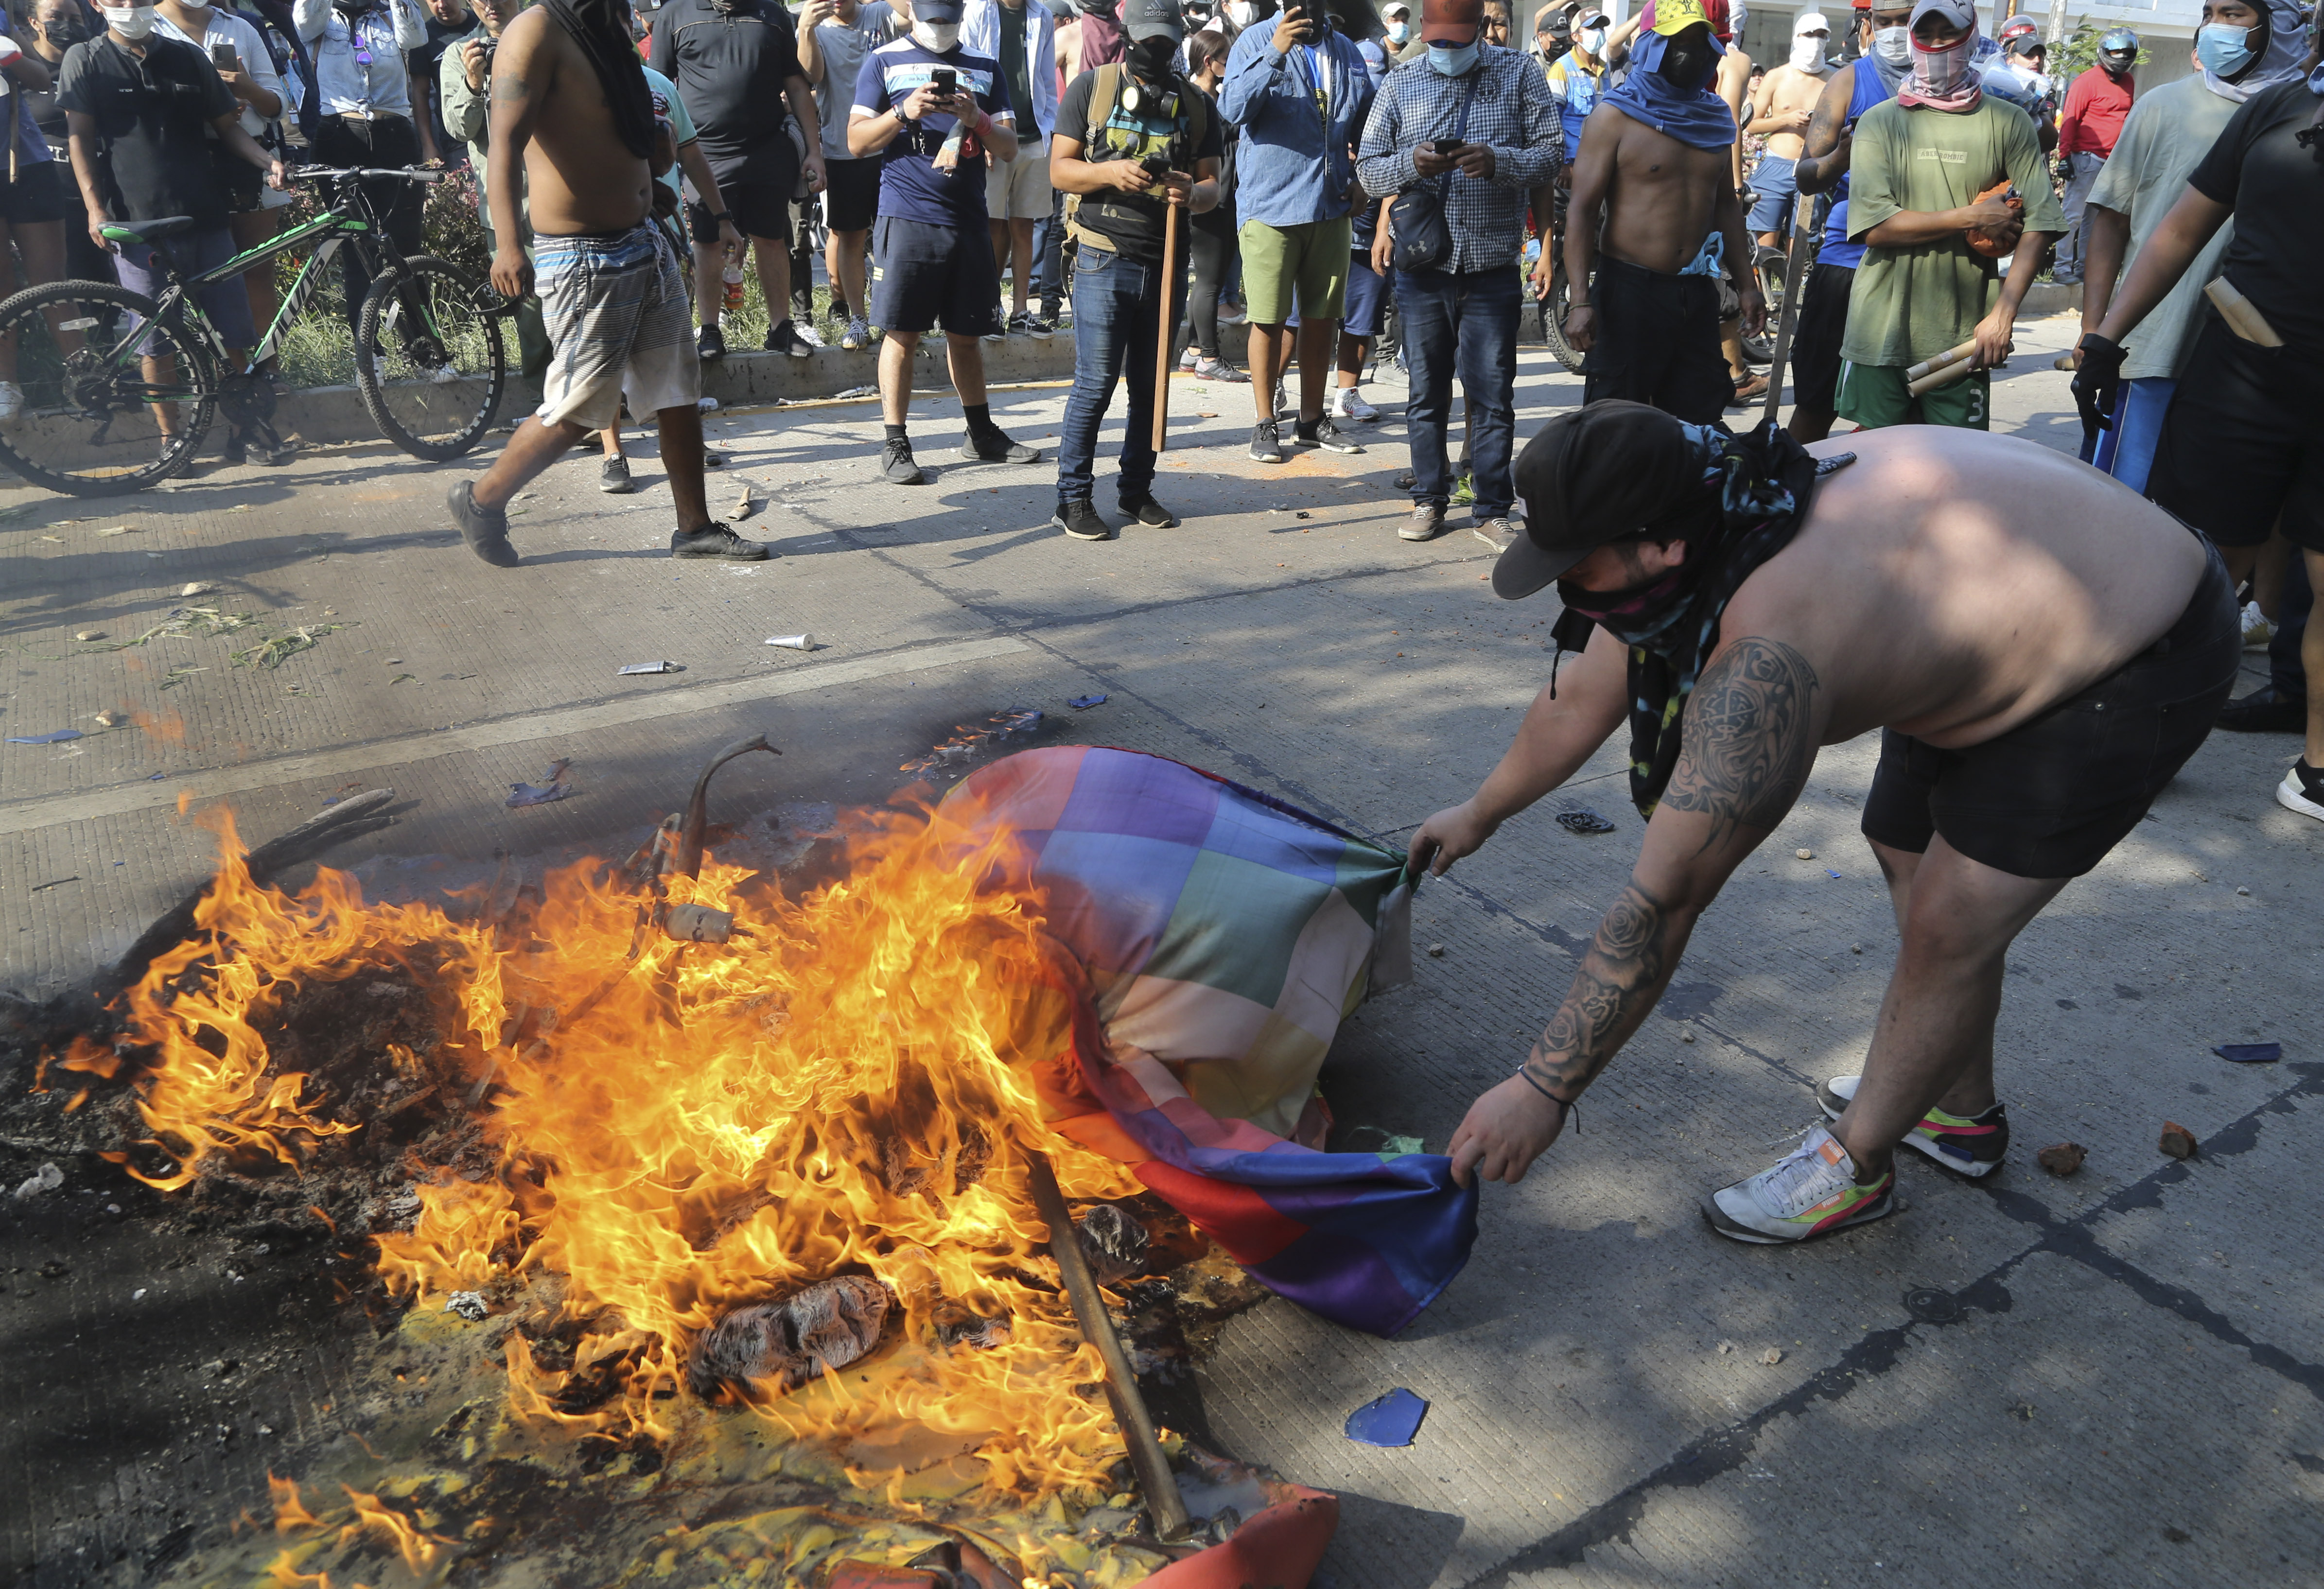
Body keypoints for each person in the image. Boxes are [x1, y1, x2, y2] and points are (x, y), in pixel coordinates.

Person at [1409, 403, 2239, 1240]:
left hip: (2137, 643)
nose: (1566, 587)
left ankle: (1859, 1164)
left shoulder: (1768, 650)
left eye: (1574, 565)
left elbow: (1665, 899)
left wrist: (1542, 1087)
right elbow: (1583, 694)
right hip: (1997, 607)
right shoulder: (1701, 503)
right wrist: (1478, 812)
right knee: (1902, 847)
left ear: (1657, 547)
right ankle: (1958, 1114)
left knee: (1952, 925)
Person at [2073, 27, 2324, 824]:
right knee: (2200, 571)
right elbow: (2180, 228)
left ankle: (2320, 769)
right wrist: (2106, 335)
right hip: (2242, 374)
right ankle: (2143, 739)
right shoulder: (2279, 109)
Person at [447, 0, 764, 564]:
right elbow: (503, 145)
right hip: (582, 257)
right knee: (579, 408)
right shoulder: (535, 30)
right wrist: (509, 244)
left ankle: (693, 528)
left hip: (642, 240)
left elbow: (618, 127)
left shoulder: (610, 27)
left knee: (676, 389)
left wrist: (647, 181)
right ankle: (482, 500)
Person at [2073, 0, 2301, 494]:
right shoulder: (2160, 106)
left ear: (2278, 23)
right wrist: (2095, 330)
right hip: (2150, 348)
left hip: (2250, 364)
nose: (2215, 28)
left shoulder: (2303, 120)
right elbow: (2111, 222)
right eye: (2209, 13)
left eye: (2233, 14)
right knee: (2119, 505)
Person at [1358, 0, 1554, 546]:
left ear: (1477, 32)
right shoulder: (1400, 83)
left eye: (1456, 41)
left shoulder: (1518, 73)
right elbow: (1369, 168)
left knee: (1491, 393)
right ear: (1424, 32)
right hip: (1423, 266)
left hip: (1490, 264)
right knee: (1425, 394)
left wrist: (1497, 161)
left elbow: (1549, 155)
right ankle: (1428, 498)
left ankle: (1491, 507)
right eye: (1437, 41)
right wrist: (1409, 165)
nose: (1446, 50)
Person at [58, 0, 289, 462]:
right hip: (135, 224)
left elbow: (228, 127)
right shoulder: (85, 59)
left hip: (203, 215)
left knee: (233, 334)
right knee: (155, 341)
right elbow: (79, 137)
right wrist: (94, 209)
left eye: (138, 0)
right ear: (99, 5)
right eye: (118, 1)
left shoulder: (187, 58)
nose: (130, 8)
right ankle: (172, 441)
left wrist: (268, 161)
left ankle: (245, 432)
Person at [1830, 0, 2060, 433]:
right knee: (1875, 466)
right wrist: (1972, 217)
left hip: (1965, 335)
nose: (1937, 46)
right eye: (1927, 34)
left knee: (1955, 472)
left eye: (1948, 35)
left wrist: (2002, 316)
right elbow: (1875, 229)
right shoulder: (1880, 122)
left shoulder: (2008, 122)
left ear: (1971, 38)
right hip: (1880, 329)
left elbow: (2041, 223)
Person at [1043, 0, 1220, 540]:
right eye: (1149, 43)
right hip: (1101, 254)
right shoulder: (1091, 89)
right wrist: (1110, 172)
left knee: (1149, 386)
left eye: (1168, 44)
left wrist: (1191, 192)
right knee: (1095, 384)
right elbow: (1060, 170)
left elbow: (1214, 187)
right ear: (1127, 36)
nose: (1158, 53)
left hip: (1165, 257)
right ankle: (1072, 498)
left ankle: (1136, 490)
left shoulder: (1193, 102)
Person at [850, 0, 1042, 483]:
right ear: (913, 11)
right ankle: (895, 442)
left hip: (969, 219)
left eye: (947, 18)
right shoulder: (884, 61)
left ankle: (980, 434)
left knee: (967, 334)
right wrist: (902, 110)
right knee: (902, 333)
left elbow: (1007, 146)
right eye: (932, 18)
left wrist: (976, 117)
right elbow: (856, 141)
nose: (940, 28)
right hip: (907, 216)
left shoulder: (984, 65)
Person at [1555, 0, 1763, 427]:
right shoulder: (1614, 116)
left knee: (1698, 419)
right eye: (1677, 43)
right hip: (1629, 289)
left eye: (1697, 42)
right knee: (1615, 422)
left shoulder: (1714, 117)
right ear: (1650, 47)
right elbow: (1582, 211)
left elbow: (1726, 205)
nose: (1690, 53)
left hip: (1695, 290)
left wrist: (1746, 285)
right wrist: (1579, 300)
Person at [1218, 0, 1371, 463]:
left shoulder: (1345, 50)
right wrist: (1275, 51)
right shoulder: (1255, 40)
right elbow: (1231, 109)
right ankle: (1265, 422)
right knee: (1267, 317)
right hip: (1272, 206)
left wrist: (1363, 174)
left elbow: (1368, 121)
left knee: (1323, 317)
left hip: (1330, 205)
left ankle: (1310, 420)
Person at [650, 0, 828, 360]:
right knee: (707, 241)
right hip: (703, 154)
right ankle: (710, 330)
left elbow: (796, 87)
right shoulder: (676, 13)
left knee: (772, 239)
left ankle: (781, 328)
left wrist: (814, 150)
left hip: (767, 148)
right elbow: (658, 85)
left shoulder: (773, 14)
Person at [1782, 0, 1905, 444]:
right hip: (1848, 268)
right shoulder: (1849, 81)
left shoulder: (1963, 86)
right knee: (1816, 406)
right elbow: (1805, 176)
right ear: (1868, 26)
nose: (1895, 31)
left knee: (1904, 420)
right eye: (1885, 22)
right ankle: (1786, 499)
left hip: (1923, 269)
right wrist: (1841, 156)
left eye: (1905, 21)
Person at [153, 0, 289, 382]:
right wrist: (211, 108)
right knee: (211, 281)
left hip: (252, 157)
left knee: (258, 274)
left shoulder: (241, 26)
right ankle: (230, 380)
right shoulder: (148, 27)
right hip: (191, 163)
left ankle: (269, 374)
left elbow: (278, 105)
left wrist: (245, 88)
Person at [295, 0, 428, 339]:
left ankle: (423, 344)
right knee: (355, 247)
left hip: (395, 134)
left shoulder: (388, 14)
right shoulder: (321, 17)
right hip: (339, 136)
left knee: (406, 246)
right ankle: (368, 353)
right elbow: (304, 23)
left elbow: (415, 38)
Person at [798, 0, 900, 350]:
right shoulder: (817, 28)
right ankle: (857, 318)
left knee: (895, 238)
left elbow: (911, 12)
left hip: (891, 147)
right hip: (843, 150)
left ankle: (894, 317)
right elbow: (811, 76)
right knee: (849, 236)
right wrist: (806, 29)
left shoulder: (880, 14)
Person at [0, 7, 76, 425]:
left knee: (52, 280)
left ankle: (83, 373)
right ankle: (6, 386)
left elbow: (40, 78)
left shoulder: (2, 17)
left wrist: (10, 56)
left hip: (24, 159)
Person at [966, 0, 1057, 336]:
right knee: (992, 225)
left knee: (1024, 225)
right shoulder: (978, 11)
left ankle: (1020, 311)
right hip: (992, 131)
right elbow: (969, 73)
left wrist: (1050, 126)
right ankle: (990, 307)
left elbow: (1047, 79)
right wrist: (982, 130)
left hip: (1034, 134)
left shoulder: (1041, 14)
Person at [1179, 23, 1243, 379]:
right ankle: (1208, 357)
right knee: (1208, 281)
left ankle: (1192, 350)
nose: (1230, 64)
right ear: (1209, 61)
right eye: (1226, 59)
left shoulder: (1218, 97)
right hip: (1207, 200)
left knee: (1211, 279)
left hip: (1223, 196)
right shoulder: (1193, 99)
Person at [2049, 24, 2135, 286]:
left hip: (2113, 162)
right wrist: (2064, 157)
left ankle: (2083, 268)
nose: (2121, 57)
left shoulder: (2129, 81)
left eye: (2126, 52)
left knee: (2094, 220)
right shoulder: (2086, 82)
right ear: (2105, 52)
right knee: (2072, 216)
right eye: (2116, 52)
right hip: (2086, 159)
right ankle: (2061, 267)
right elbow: (2071, 120)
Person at [1740, 9, 1827, 253]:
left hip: (1813, 166)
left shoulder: (1833, 79)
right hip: (1776, 165)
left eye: (1822, 35)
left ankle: (1795, 292)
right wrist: (1786, 119)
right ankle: (1759, 292)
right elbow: (1752, 125)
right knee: (1763, 249)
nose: (1815, 40)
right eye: (1810, 34)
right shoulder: (1777, 76)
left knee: (1801, 249)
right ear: (1797, 37)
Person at [409, 0, 470, 164]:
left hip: (494, 130)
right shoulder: (423, 38)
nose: (442, 5)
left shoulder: (482, 25)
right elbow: (420, 95)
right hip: (455, 139)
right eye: (434, 1)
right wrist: (428, 145)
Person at [1541, 7, 1605, 158]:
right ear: (1575, 36)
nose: (1598, 32)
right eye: (1591, 28)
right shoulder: (1561, 68)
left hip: (1597, 159)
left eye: (1601, 28)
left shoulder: (1605, 70)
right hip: (1570, 163)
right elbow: (1550, 124)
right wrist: (1564, 163)